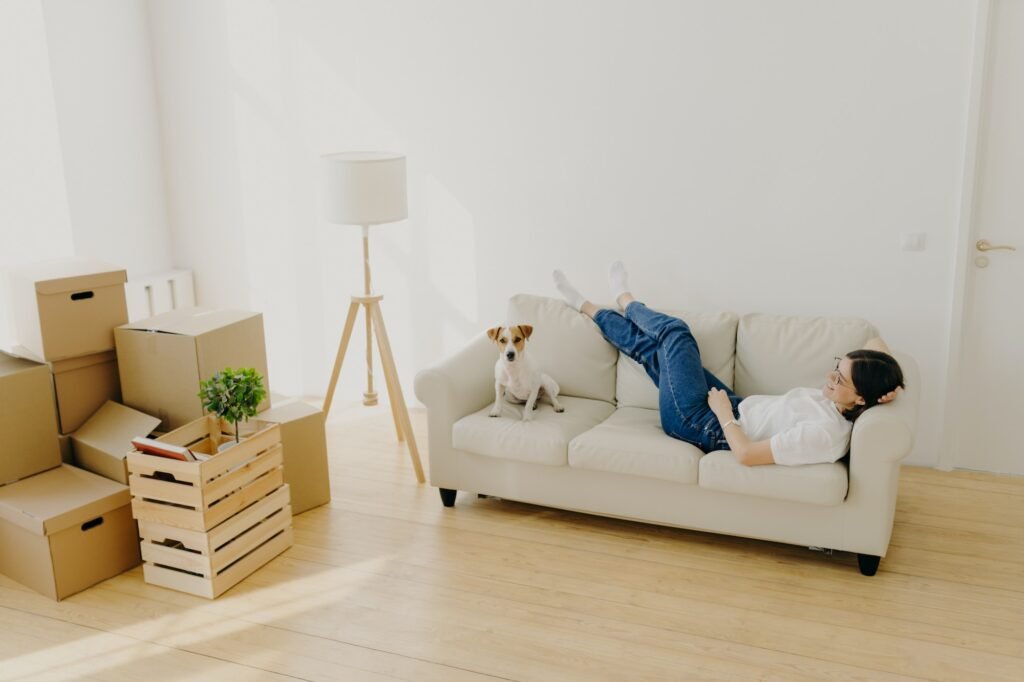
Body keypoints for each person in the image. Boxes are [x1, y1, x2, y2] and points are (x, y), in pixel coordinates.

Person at [553, 262, 905, 467]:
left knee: (676, 333)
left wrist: (723, 413)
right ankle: (586, 305)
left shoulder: (825, 435)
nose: (829, 377)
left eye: (840, 378)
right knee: (650, 349)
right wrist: (893, 384)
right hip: (731, 408)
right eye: (836, 366)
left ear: (860, 399)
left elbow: (748, 454)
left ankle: (625, 299)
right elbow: (874, 340)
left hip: (704, 424)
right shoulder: (844, 402)